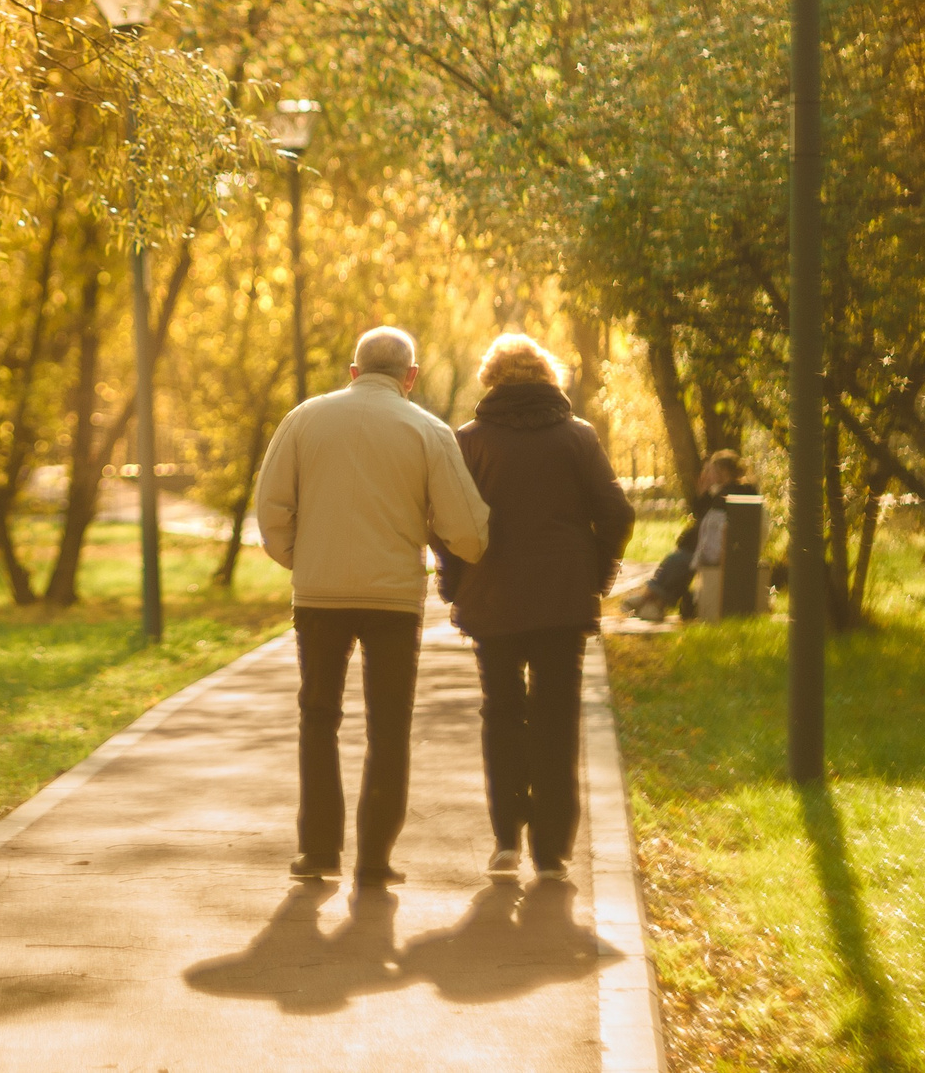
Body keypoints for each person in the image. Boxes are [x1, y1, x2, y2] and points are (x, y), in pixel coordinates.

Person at [254, 326, 490, 890]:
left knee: (318, 717)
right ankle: (375, 860)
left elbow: (271, 508)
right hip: (392, 601)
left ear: (354, 373)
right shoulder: (427, 429)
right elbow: (469, 531)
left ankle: (318, 852)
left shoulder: (304, 418)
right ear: (410, 377)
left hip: (318, 596)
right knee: (389, 727)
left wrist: (303, 559)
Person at [440, 334, 635, 885]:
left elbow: (448, 521)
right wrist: (594, 574)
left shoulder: (470, 440)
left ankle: (506, 840)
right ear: (547, 377)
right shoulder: (578, 438)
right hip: (561, 599)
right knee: (556, 716)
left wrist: (455, 584)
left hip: (492, 597)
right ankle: (552, 851)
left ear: (491, 379)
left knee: (500, 710)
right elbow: (617, 512)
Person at [624, 450, 745, 622]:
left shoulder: (728, 494)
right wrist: (704, 494)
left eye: (710, 471)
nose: (706, 475)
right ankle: (653, 602)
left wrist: (705, 495)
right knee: (676, 559)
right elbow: (703, 522)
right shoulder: (723, 493)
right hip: (710, 549)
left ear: (723, 472)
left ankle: (651, 599)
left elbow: (708, 526)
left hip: (718, 552)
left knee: (679, 561)